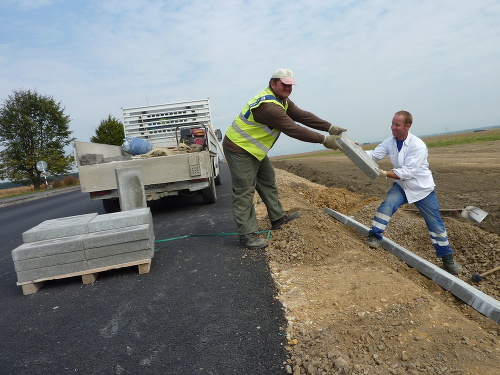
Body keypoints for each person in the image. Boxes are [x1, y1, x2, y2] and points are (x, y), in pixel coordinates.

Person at [223, 68, 346, 249]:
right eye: (284, 85)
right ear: (273, 84)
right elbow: (293, 128)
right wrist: (325, 140)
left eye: (290, 85)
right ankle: (247, 234)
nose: (288, 88)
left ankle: (278, 218)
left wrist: (330, 127)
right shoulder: (268, 106)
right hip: (239, 149)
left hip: (255, 149)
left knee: (267, 181)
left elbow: (302, 115)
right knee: (244, 190)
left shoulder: (282, 101)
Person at [365, 110, 463, 274]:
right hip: (402, 186)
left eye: (397, 124)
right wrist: (357, 150)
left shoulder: (418, 145)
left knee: (435, 224)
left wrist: (384, 174)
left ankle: (447, 259)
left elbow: (408, 171)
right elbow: (374, 155)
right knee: (387, 205)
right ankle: (374, 236)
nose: (393, 127)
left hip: (422, 189)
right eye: (392, 123)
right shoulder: (390, 142)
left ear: (407, 126)